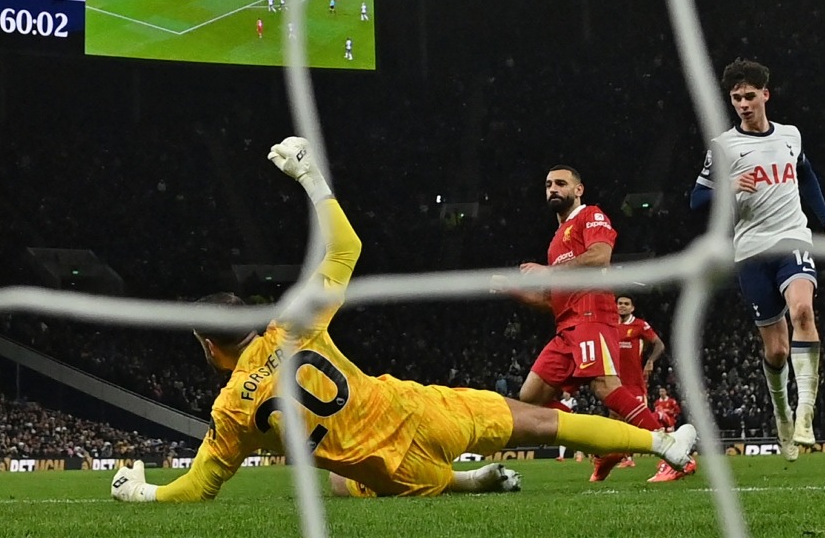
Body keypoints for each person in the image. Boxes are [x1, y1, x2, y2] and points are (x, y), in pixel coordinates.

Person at [111, 138, 697, 503]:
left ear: (209, 348)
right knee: (541, 422)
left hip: (396, 474)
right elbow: (345, 249)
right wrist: (309, 177)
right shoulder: (290, 325)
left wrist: (140, 491)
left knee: (342, 482)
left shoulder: (230, 412)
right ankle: (660, 444)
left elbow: (198, 487)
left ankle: (467, 481)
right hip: (423, 412)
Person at [691, 59, 825, 461]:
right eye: (736, 98)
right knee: (775, 351)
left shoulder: (790, 136)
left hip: (793, 237)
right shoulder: (724, 148)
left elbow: (806, 175)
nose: (742, 103)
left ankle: (807, 413)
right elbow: (696, 199)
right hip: (750, 251)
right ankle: (783, 414)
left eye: (749, 96)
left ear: (765, 94)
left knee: (803, 311)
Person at [492, 166, 664, 483]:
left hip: (591, 313)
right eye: (547, 185)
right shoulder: (557, 240)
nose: (553, 189)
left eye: (561, 183)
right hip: (566, 327)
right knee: (529, 399)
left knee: (604, 387)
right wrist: (513, 291)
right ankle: (604, 446)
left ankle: (669, 449)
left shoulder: (590, 216)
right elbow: (550, 302)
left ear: (579, 189)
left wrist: (547, 271)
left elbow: (600, 257)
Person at [613, 295, 666, 473]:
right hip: (615, 383)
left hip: (635, 384)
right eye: (619, 303)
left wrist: (650, 361)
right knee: (616, 422)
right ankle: (626, 457)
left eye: (626, 304)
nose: (622, 306)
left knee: (643, 423)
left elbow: (659, 345)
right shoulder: (611, 325)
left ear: (632, 308)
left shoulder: (640, 325)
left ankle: (667, 456)